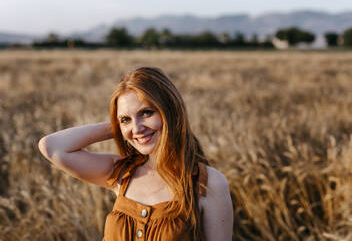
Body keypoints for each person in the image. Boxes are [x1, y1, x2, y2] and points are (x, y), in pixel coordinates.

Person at [38, 67, 233, 240]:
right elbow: (52, 147)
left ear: (170, 111)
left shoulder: (207, 183)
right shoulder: (121, 174)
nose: (137, 129)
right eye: (125, 119)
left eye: (146, 113)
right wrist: (120, 127)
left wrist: (128, 123)